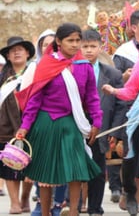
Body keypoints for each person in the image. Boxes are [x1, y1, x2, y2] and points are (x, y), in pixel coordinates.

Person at [15, 22, 102, 216]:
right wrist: (25, 126)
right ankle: (45, 212)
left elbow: (92, 97)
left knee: (75, 170)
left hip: (71, 124)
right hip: (46, 124)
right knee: (45, 173)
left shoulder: (84, 67)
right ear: (59, 42)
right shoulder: (46, 65)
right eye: (70, 40)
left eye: (78, 40)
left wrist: (97, 121)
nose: (74, 44)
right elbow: (34, 99)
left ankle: (73, 212)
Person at [80, 29, 129, 216]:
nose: (89, 51)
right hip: (77, 126)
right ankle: (73, 205)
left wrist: (114, 131)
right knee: (74, 168)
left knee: (98, 171)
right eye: (85, 46)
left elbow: (121, 104)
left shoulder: (113, 74)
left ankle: (94, 208)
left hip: (102, 128)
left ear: (100, 48)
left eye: (93, 46)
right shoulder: (70, 70)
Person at [111, 8, 139, 212]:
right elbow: (116, 81)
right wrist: (122, 80)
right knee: (130, 156)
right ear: (134, 28)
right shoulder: (124, 53)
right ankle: (130, 193)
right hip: (130, 110)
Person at [26, 29, 68, 216]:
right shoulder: (34, 68)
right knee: (41, 165)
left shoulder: (67, 66)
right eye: (45, 45)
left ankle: (59, 203)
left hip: (63, 123)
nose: (49, 49)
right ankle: (41, 204)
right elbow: (27, 97)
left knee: (61, 165)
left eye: (53, 45)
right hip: (39, 123)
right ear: (40, 48)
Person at [0, 36, 35, 214]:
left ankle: (25, 198)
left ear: (27, 52)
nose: (16, 52)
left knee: (29, 164)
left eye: (20, 49)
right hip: (5, 127)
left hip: (32, 124)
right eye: (12, 50)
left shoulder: (34, 73)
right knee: (9, 163)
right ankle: (14, 202)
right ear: (7, 56)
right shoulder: (2, 76)